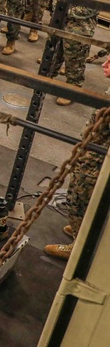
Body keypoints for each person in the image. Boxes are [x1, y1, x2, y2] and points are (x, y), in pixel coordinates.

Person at [46, 55, 110, 259]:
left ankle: (80, 246)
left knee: (81, 195)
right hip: (94, 148)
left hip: (100, 157)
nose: (104, 65)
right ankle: (80, 229)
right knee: (83, 194)